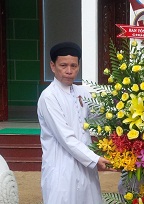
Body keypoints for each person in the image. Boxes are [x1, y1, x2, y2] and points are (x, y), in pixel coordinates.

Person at [37, 42, 112, 204]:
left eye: (73, 66)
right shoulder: (49, 97)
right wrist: (94, 159)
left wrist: (123, 112)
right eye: (63, 65)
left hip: (85, 167)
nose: (69, 71)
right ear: (52, 66)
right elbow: (66, 138)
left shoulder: (82, 92)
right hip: (62, 167)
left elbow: (99, 119)